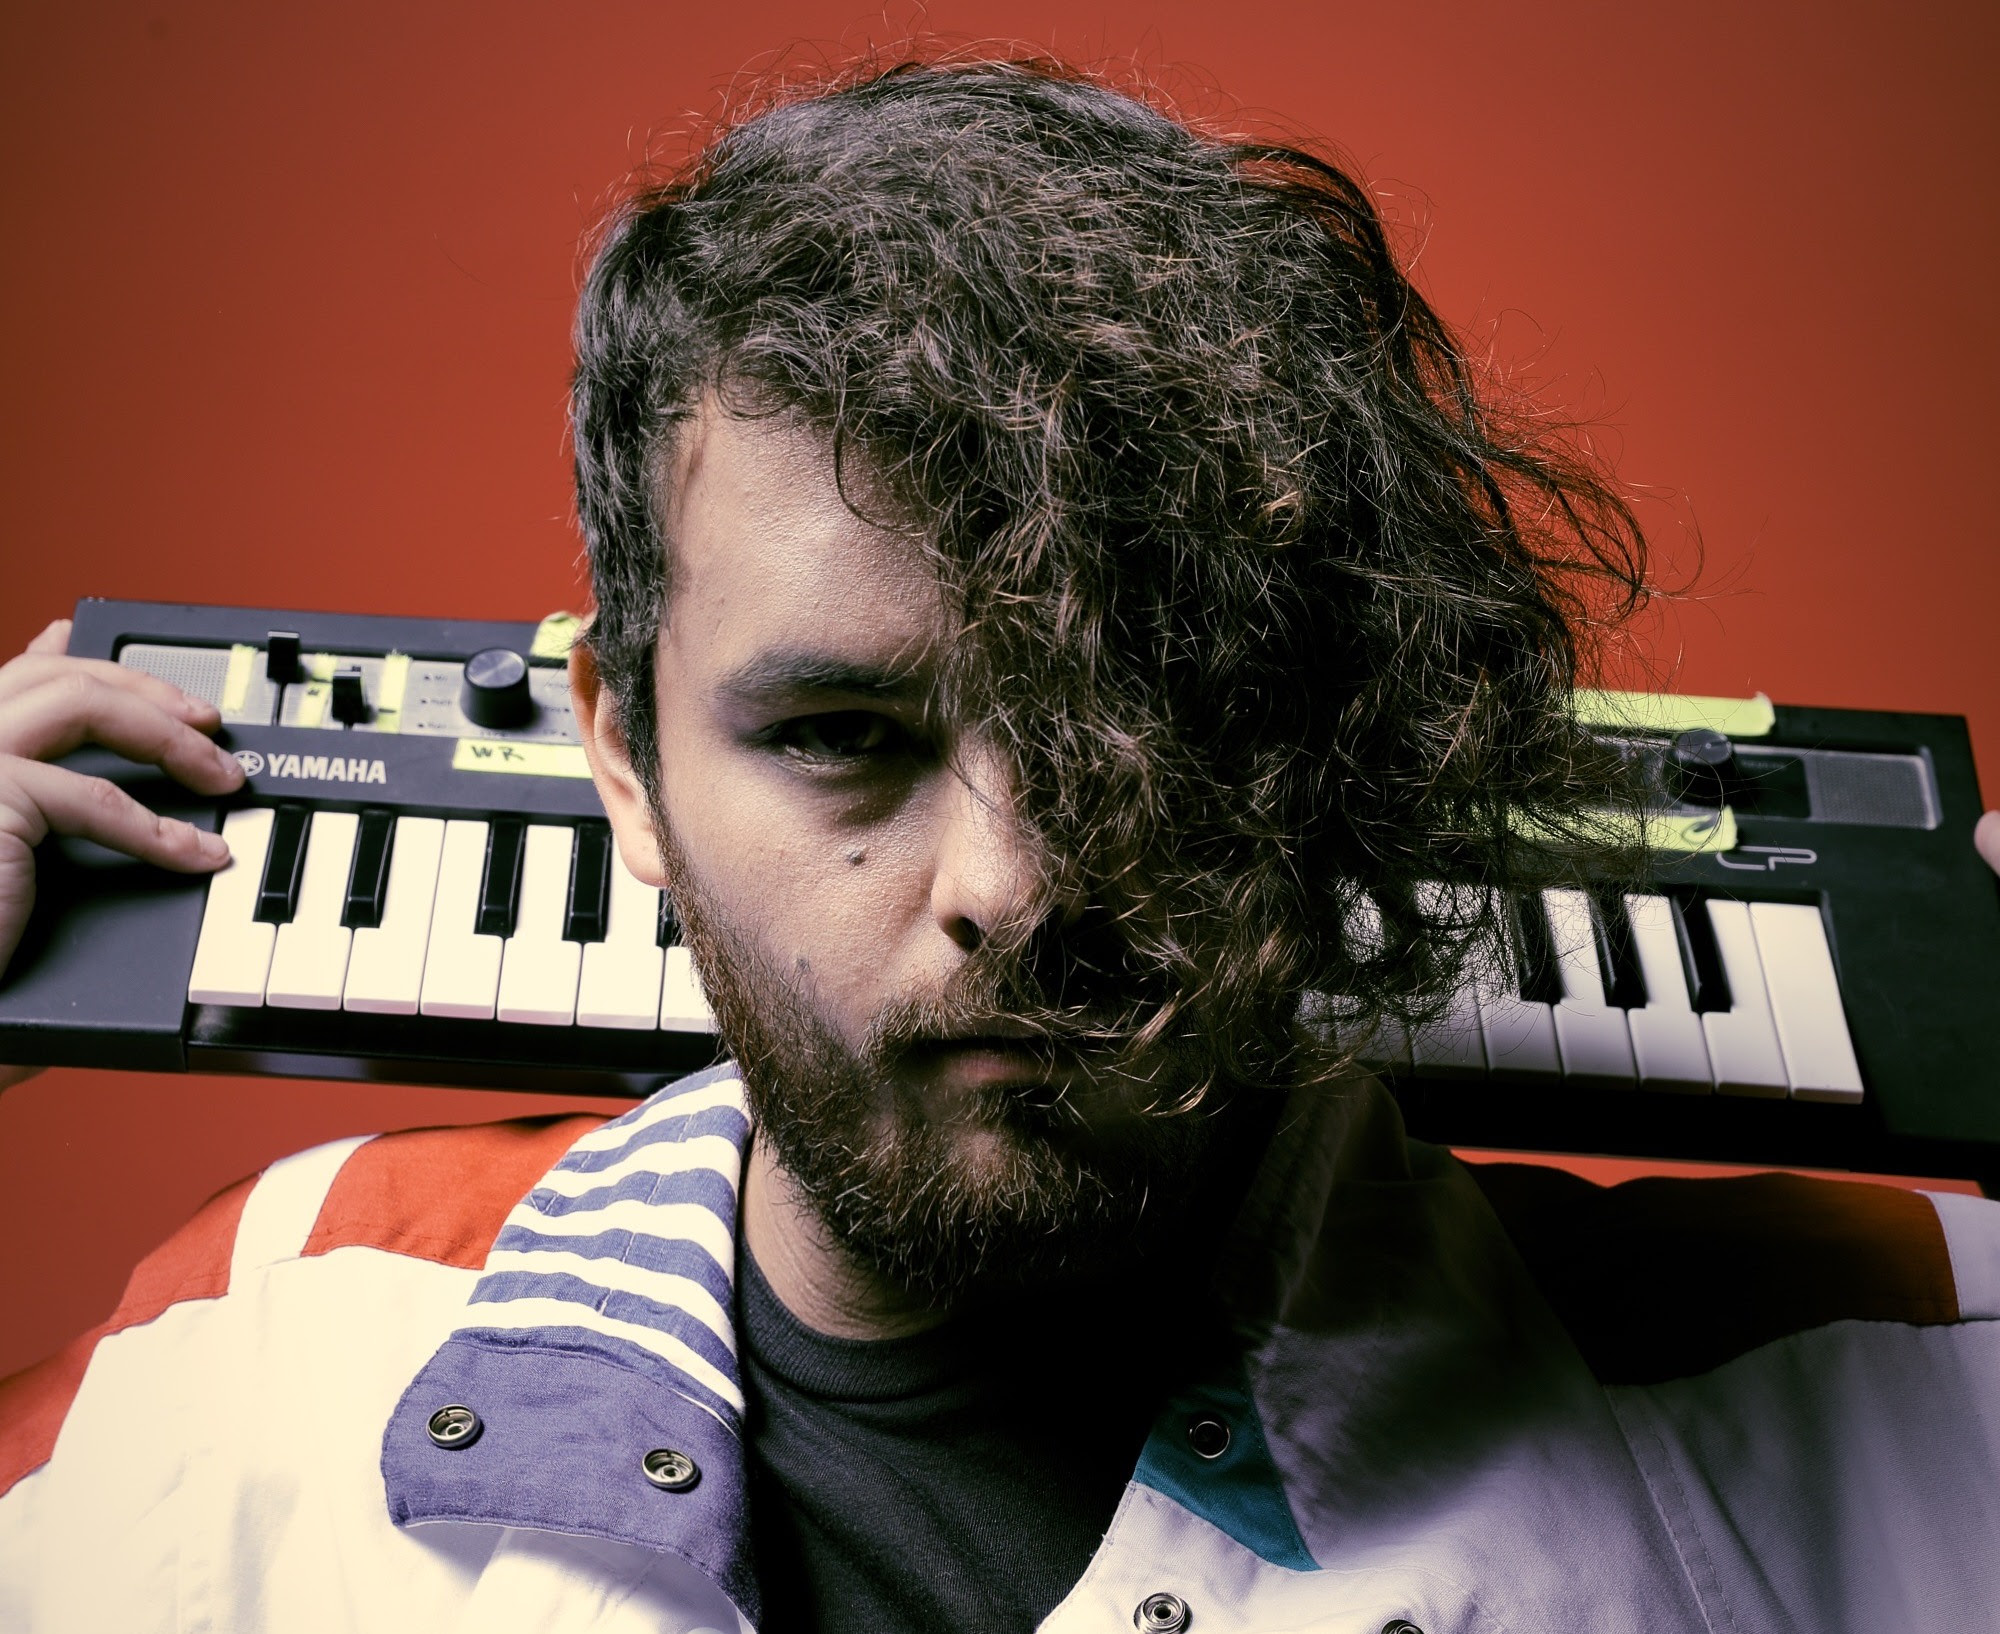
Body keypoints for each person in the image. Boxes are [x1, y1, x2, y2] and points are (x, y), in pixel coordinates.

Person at [2, 57, 1997, 1634]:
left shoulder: (1896, 1380)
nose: (1012, 886)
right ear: (621, 755)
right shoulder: (248, 1342)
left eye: (1152, 719)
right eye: (843, 738)